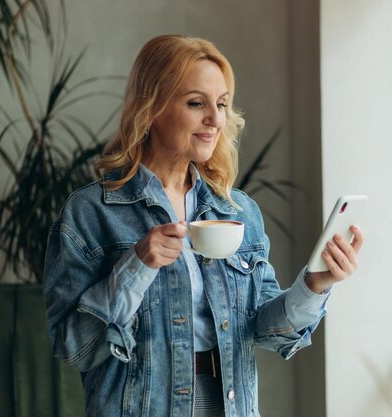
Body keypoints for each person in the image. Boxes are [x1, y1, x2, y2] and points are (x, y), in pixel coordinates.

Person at [43, 34, 364, 417]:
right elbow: (72, 345)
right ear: (152, 108)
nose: (215, 119)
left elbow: (263, 327)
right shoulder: (92, 211)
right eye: (196, 103)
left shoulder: (237, 209)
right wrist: (136, 266)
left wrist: (315, 284)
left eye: (222, 104)